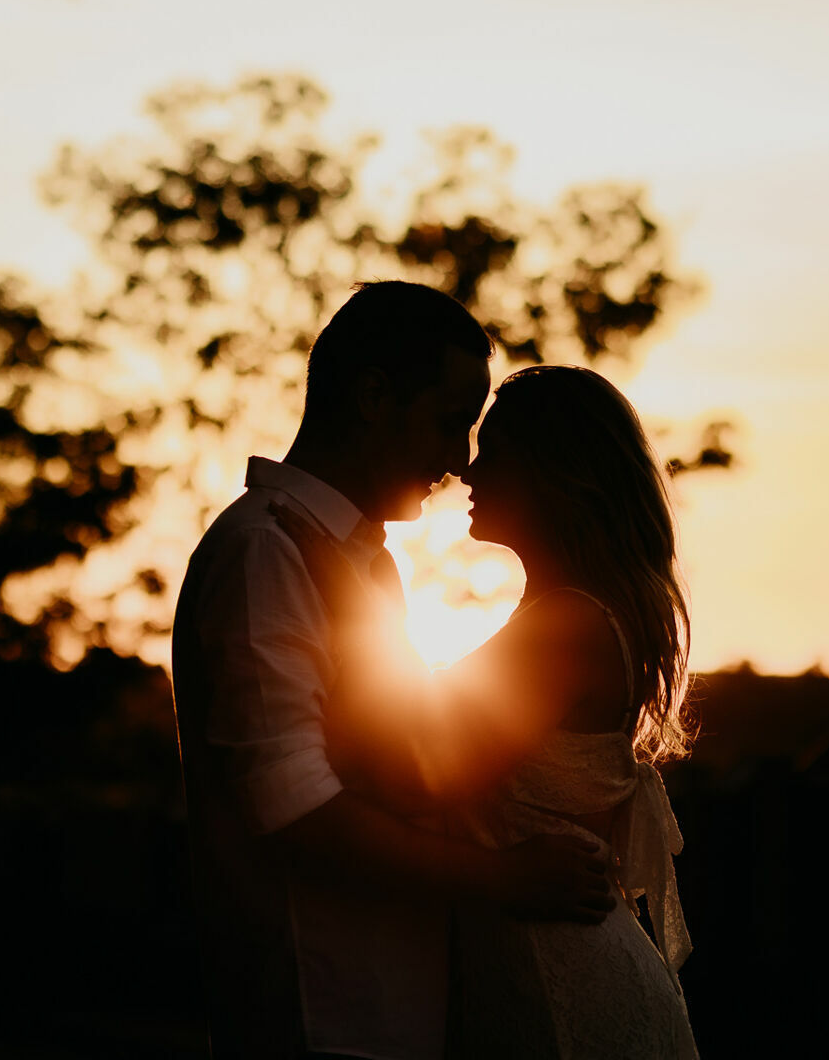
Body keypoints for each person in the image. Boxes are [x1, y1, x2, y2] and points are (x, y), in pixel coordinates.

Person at [169, 282, 618, 1060]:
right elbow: (291, 807)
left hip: (394, 1012)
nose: (460, 460)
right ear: (374, 396)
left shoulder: (361, 564)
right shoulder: (264, 553)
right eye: (450, 423)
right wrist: (501, 876)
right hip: (320, 1012)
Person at [273, 364, 700, 1058]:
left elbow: (412, 775)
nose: (467, 469)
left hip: (563, 992)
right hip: (538, 971)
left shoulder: (565, 627)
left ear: (555, 473)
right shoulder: (564, 617)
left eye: (493, 450)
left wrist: (347, 588)